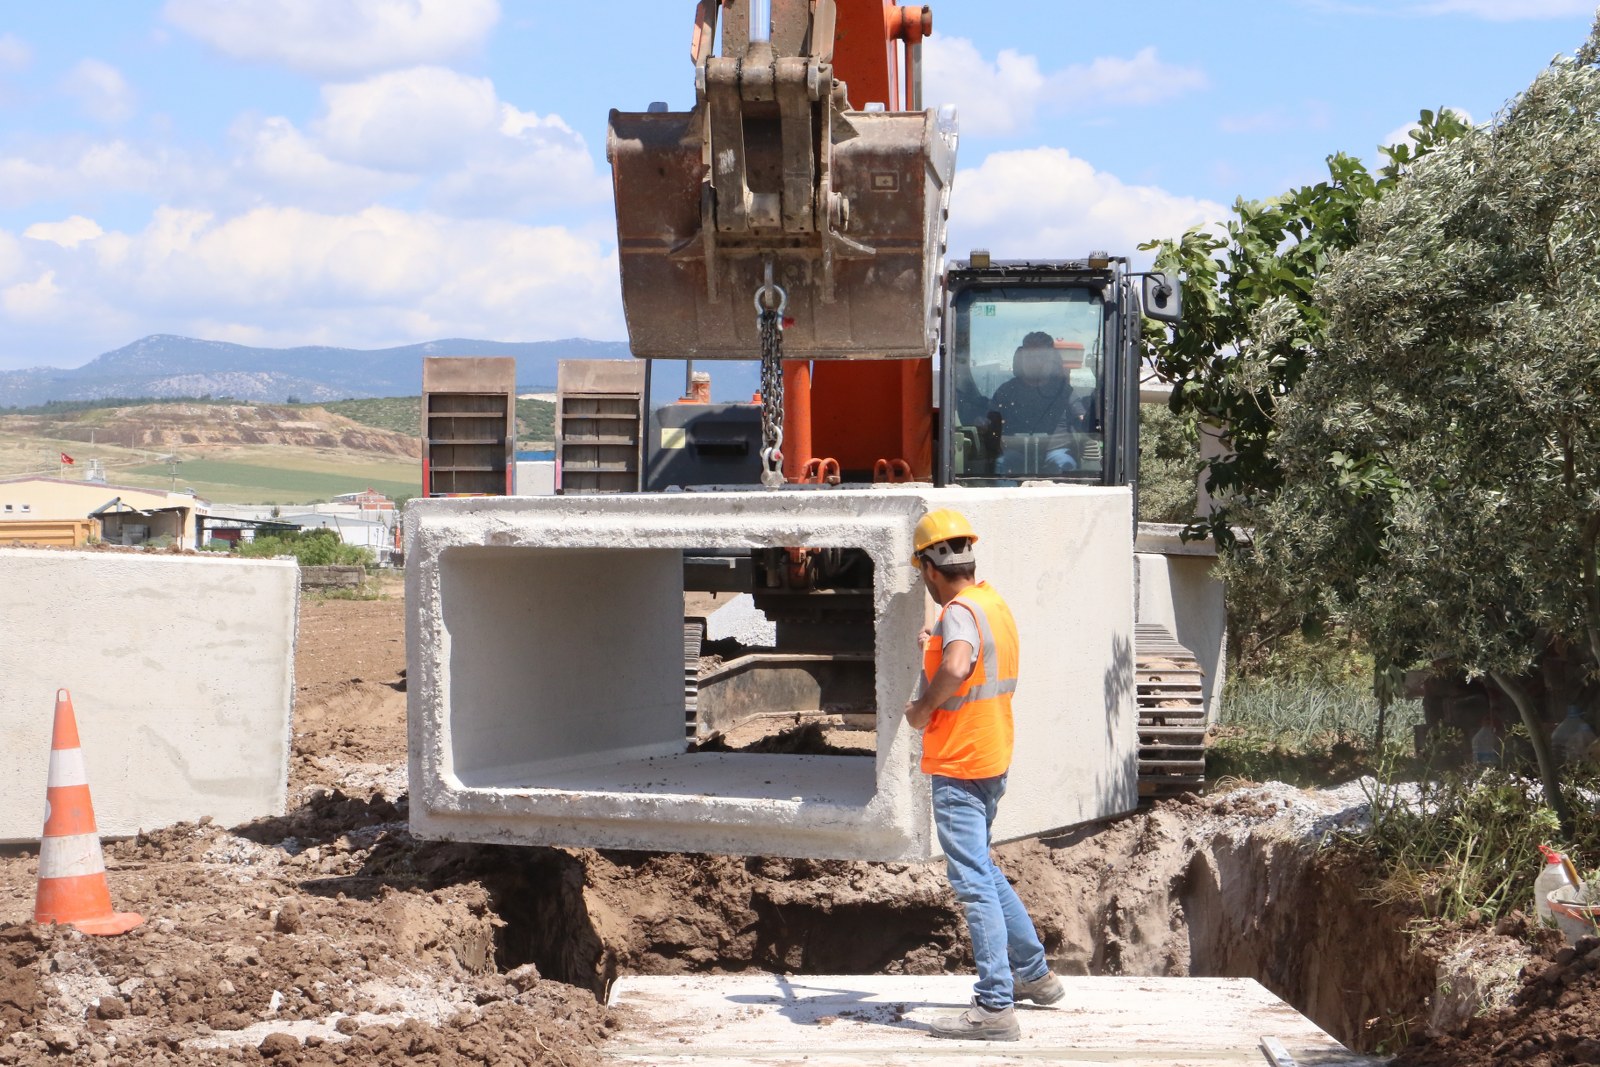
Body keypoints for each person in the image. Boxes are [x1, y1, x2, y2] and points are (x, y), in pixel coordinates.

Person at [903, 508, 1063, 1041]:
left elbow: (956, 666)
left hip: (960, 761)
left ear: (929, 567)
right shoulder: (989, 603)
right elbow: (971, 656)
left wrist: (923, 709)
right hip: (991, 754)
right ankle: (1034, 975)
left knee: (971, 882)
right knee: (985, 870)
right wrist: (938, 638)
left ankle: (995, 1007)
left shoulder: (958, 615)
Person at [988, 330, 1084, 475]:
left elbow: (1082, 417)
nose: (1035, 361)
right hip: (1016, 452)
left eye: (1041, 356)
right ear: (1021, 358)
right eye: (1030, 356)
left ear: (1051, 359)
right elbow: (989, 420)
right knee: (1002, 465)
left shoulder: (1063, 390)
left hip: (1056, 451)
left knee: (1065, 465)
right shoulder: (1007, 390)